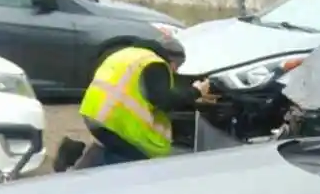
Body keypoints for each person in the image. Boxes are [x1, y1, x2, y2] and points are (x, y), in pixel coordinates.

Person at [78, 40, 216, 166]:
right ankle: (84, 169)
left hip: (94, 112)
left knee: (117, 150)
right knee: (138, 159)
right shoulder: (155, 64)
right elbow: (164, 101)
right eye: (177, 66)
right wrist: (196, 91)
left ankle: (78, 157)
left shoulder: (131, 54)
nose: (175, 71)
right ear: (173, 62)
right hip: (114, 120)